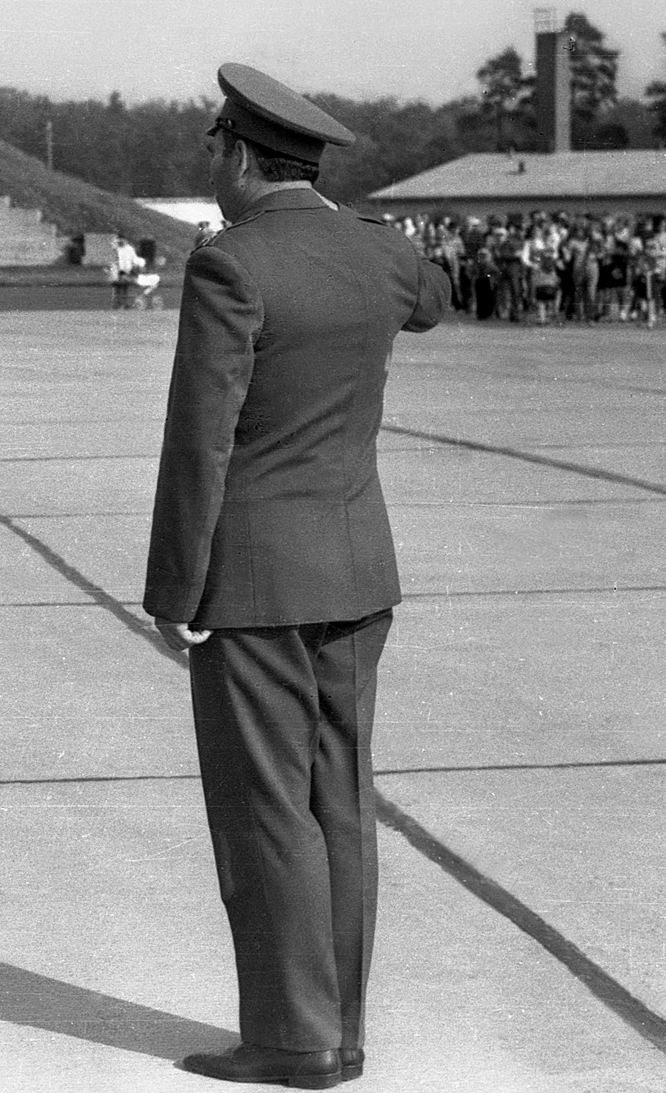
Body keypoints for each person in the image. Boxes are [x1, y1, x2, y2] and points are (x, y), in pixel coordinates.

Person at [143, 63, 446, 1090]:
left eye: (213, 152)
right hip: (358, 572)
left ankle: (290, 1037)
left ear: (235, 154)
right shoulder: (379, 253)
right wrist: (347, 230)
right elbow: (432, 303)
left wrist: (172, 595)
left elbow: (200, 444)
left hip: (256, 585)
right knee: (339, 804)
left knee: (267, 809)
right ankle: (342, 1028)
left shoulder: (232, 266)